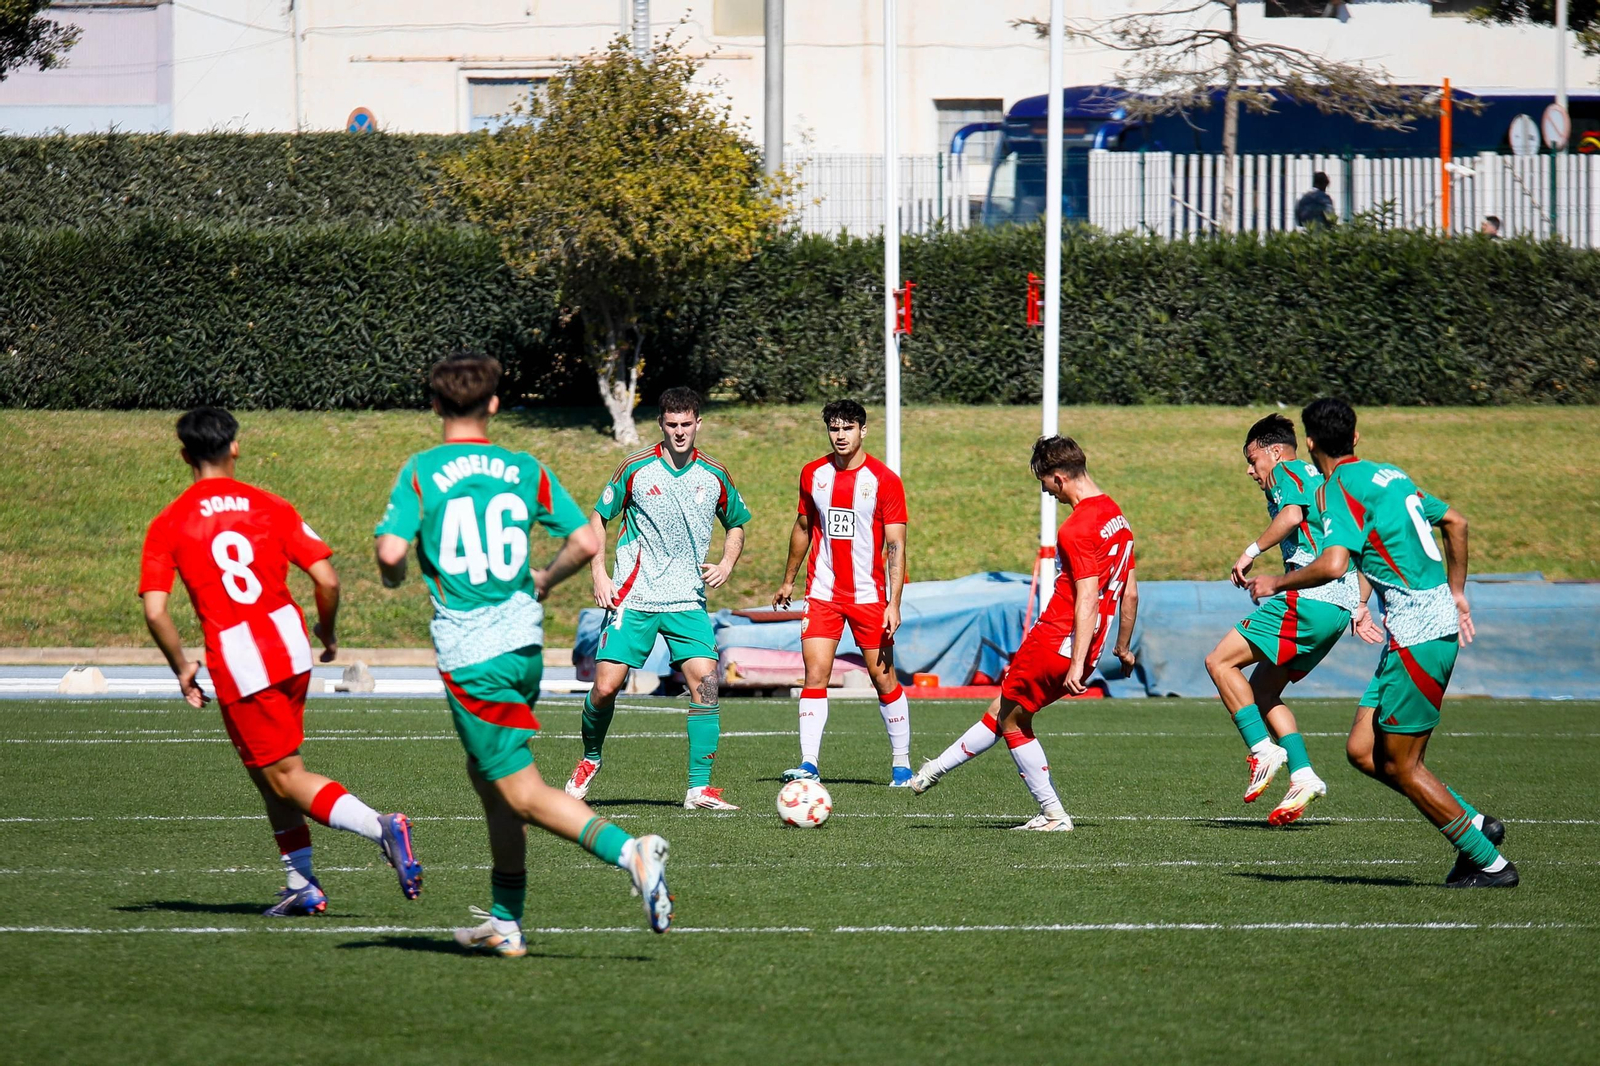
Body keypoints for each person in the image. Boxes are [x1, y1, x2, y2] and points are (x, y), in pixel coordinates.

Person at [374, 352, 674, 955]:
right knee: (486, 777)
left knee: (519, 790)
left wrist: (399, 567)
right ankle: (506, 922)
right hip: (523, 644)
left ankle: (630, 852)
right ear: (492, 405)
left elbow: (387, 555)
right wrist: (543, 578)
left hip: (473, 653)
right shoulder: (522, 466)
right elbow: (587, 540)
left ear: (434, 405)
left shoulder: (421, 470)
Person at [139, 407, 422, 917]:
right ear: (235, 448)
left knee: (285, 775)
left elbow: (156, 610)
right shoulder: (270, 505)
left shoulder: (170, 521)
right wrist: (328, 631)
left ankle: (380, 826)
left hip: (242, 657)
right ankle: (301, 883)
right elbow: (328, 579)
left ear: (184, 455)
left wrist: (181, 665)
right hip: (288, 646)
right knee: (267, 770)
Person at [1245, 398, 1515, 888]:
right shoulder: (1388, 474)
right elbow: (1456, 521)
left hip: (1420, 636)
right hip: (1416, 630)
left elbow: (1332, 564)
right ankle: (1475, 824)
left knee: (1403, 764)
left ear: (1309, 443)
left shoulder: (1337, 488)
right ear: (1355, 438)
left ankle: (1489, 863)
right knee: (1363, 751)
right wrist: (1456, 593)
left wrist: (1275, 583)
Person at [910, 435, 1137, 831]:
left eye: (1045, 482)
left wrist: (1076, 660)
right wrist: (1122, 647)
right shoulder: (1117, 516)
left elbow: (1085, 597)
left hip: (1057, 638)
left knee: (1013, 722)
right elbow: (1129, 591)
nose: (1045, 491)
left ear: (1060, 477)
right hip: (1092, 643)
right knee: (1005, 709)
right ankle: (932, 772)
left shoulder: (1077, 527)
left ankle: (1053, 813)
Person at [564, 387, 751, 810]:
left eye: (687, 424)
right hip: (635, 595)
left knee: (706, 684)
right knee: (605, 688)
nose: (680, 432)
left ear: (698, 423)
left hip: (686, 599)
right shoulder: (635, 468)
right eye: (672, 425)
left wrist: (726, 563)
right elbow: (598, 517)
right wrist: (599, 573)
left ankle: (698, 789)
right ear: (661, 425)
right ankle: (590, 759)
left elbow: (736, 523)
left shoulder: (715, 474)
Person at [1204, 414, 1382, 825]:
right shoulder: (1324, 481)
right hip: (1336, 608)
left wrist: (1250, 551)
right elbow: (1358, 545)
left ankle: (1262, 750)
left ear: (1274, 451)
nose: (1251, 471)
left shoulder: (1288, 469)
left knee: (1218, 662)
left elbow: (1293, 516)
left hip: (1309, 599)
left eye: (1252, 460)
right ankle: (1303, 775)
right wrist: (1358, 603)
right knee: (1263, 692)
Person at [772, 399, 912, 786]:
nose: (840, 435)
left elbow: (896, 545)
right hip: (822, 593)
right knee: (815, 673)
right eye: (834, 428)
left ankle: (901, 765)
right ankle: (809, 763)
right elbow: (803, 527)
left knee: (883, 678)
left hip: (869, 597)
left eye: (848, 428)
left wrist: (893, 603)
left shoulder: (884, 480)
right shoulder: (813, 473)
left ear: (863, 431)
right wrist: (788, 580)